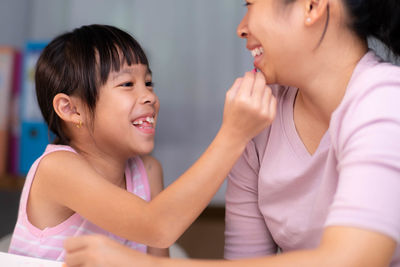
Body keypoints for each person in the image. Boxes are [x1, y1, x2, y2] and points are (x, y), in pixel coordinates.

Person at [63, 0, 400, 266]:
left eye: (251, 4)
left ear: (312, 6)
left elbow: (352, 260)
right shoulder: (258, 120)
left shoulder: (385, 96)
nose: (241, 29)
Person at [7, 24, 275, 262]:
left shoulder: (147, 171)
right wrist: (234, 135)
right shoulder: (58, 168)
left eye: (148, 82)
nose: (148, 96)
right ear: (71, 109)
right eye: (127, 84)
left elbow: (157, 261)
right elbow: (157, 227)